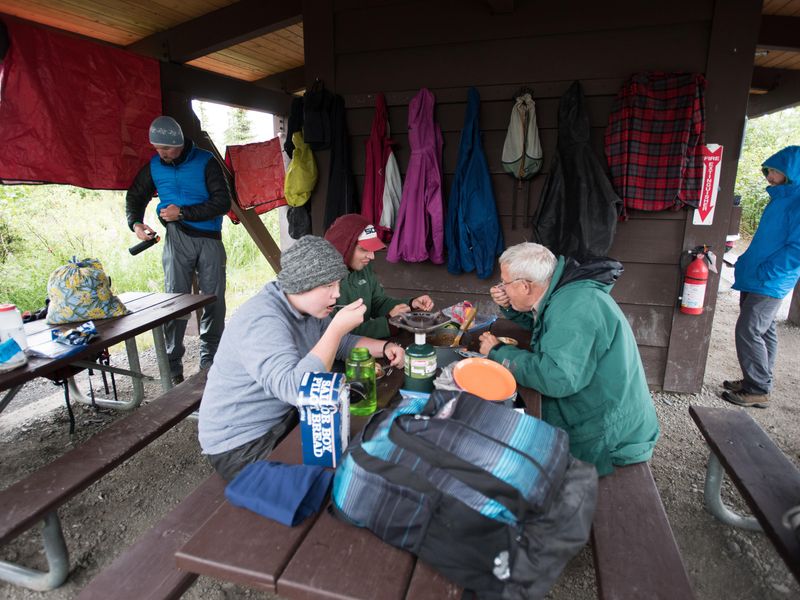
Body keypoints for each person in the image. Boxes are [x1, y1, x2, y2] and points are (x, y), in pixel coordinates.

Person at [198, 235, 405, 480]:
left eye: (337, 284)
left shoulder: (306, 308)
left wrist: (385, 347)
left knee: (364, 442)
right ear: (301, 283)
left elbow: (341, 344)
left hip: (283, 416)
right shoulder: (263, 320)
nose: (337, 294)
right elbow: (295, 389)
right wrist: (336, 328)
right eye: (328, 286)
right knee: (339, 480)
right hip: (241, 443)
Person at [477, 242, 659, 476]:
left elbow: (557, 378)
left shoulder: (575, 308)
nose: (501, 287)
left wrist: (498, 353)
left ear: (525, 286)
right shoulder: (564, 291)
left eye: (505, 282)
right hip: (602, 409)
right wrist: (511, 306)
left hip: (609, 436)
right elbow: (547, 329)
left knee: (511, 455)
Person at [126, 116, 231, 385]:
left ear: (181, 143)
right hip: (176, 238)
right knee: (174, 302)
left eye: (169, 149)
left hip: (209, 237)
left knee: (213, 300)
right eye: (158, 149)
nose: (164, 154)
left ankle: (210, 358)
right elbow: (135, 196)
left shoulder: (205, 161)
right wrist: (136, 223)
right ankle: (172, 362)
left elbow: (222, 202)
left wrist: (183, 212)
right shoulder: (153, 166)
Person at [723, 146, 800, 409]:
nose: (770, 174)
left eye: (777, 170)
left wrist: (769, 271)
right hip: (758, 274)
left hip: (771, 279)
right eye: (769, 169)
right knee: (764, 330)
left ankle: (757, 388)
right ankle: (756, 381)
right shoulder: (779, 198)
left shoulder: (798, 201)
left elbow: (798, 248)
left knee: (748, 329)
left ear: (792, 172)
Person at [324, 214, 434, 338]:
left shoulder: (363, 268)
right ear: (344, 247)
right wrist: (388, 322)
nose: (372, 256)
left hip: (367, 348)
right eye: (364, 249)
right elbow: (338, 336)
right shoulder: (323, 283)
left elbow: (378, 303)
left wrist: (410, 304)